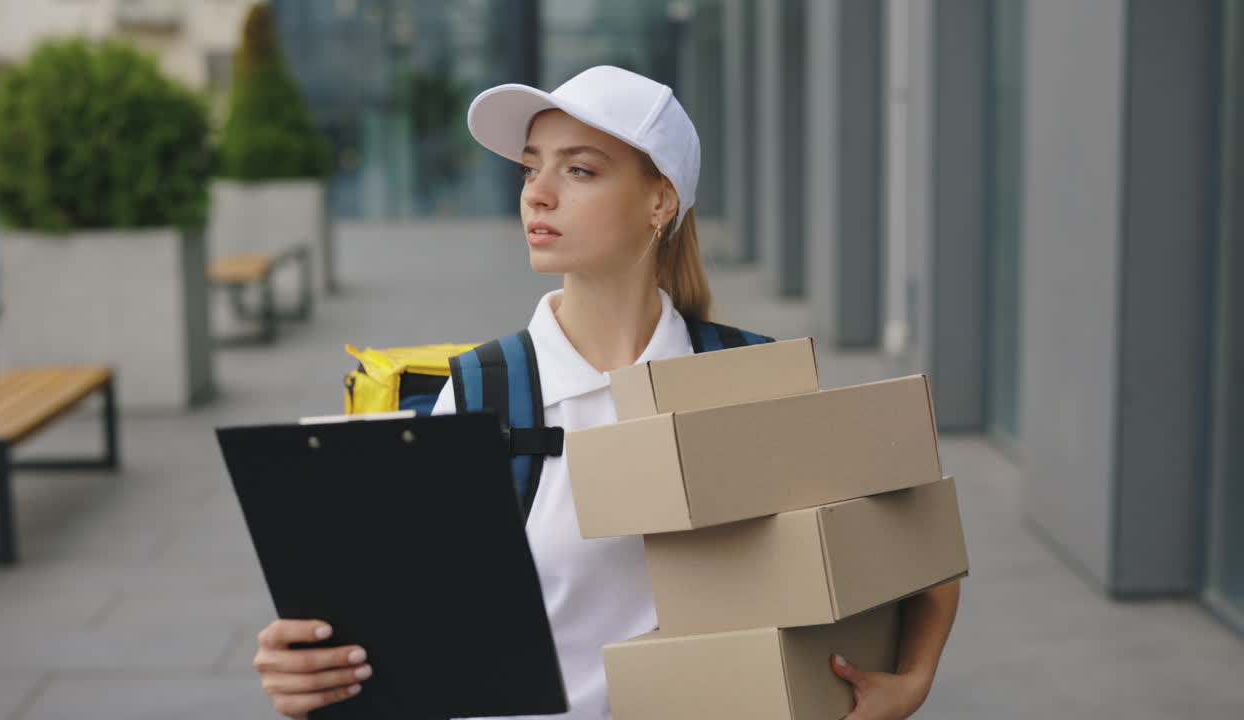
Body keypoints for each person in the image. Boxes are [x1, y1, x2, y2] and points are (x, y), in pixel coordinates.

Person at [250, 65, 961, 720]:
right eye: (532, 169)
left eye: (580, 170)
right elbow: (391, 619)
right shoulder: (479, 395)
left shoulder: (751, 379)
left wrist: (914, 680)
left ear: (660, 201)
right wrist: (308, 669)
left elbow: (915, 542)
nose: (538, 191)